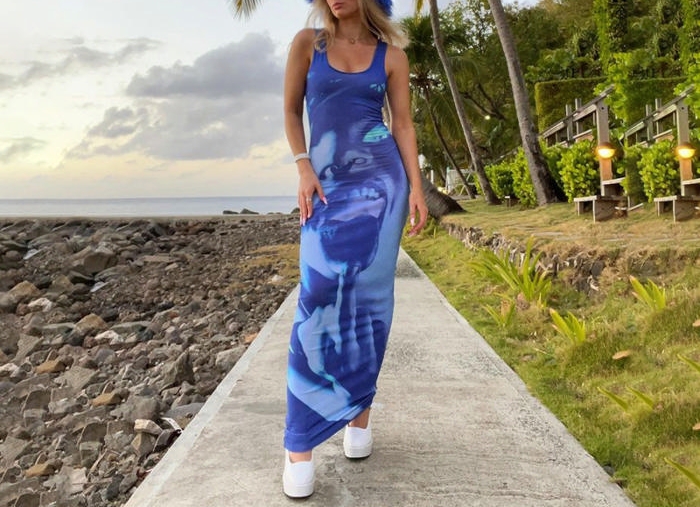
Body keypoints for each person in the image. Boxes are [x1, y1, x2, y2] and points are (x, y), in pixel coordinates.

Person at [282, 0, 428, 498]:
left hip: (382, 189)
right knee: (315, 298)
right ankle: (299, 443)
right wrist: (303, 165)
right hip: (324, 187)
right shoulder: (308, 44)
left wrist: (416, 188)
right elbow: (291, 110)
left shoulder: (392, 57)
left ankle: (358, 419)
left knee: (371, 303)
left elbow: (402, 124)